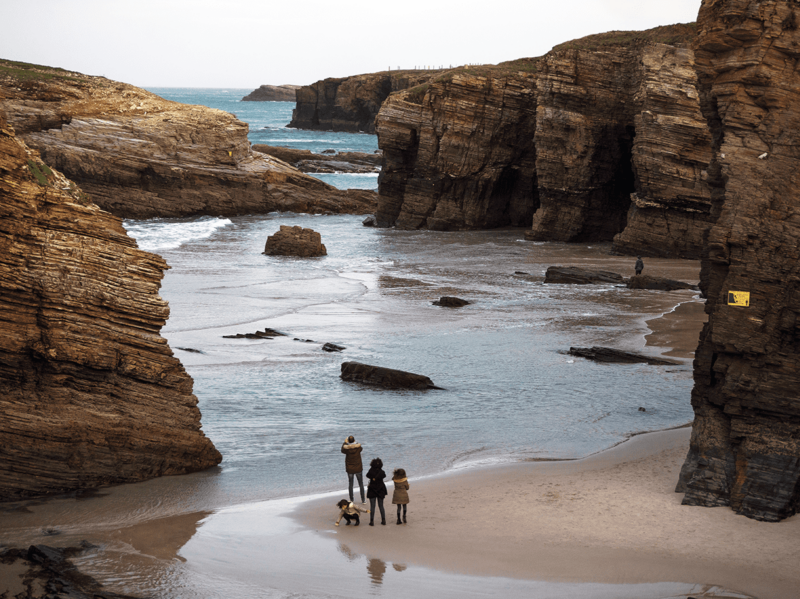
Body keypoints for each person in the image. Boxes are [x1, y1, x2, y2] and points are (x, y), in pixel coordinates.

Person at [341, 436, 365, 504]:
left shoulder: (346, 449)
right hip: (358, 468)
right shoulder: (358, 448)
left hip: (350, 469)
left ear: (348, 441)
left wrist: (344, 443)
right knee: (361, 484)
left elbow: (342, 450)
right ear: (354, 440)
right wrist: (356, 443)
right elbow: (361, 448)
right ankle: (363, 500)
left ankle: (351, 499)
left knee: (351, 484)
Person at [366, 457, 387, 526]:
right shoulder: (382, 472)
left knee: (372, 506)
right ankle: (383, 520)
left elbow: (367, 475)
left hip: (372, 489)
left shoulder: (371, 471)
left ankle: (371, 521)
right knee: (381, 506)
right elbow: (384, 476)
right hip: (381, 489)